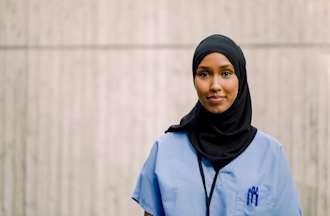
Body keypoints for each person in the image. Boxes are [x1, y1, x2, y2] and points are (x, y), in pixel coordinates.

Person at [132, 34, 302, 216]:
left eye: (226, 73)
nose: (215, 85)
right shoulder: (165, 151)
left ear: (241, 78)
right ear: (194, 79)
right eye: (204, 74)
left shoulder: (270, 154)